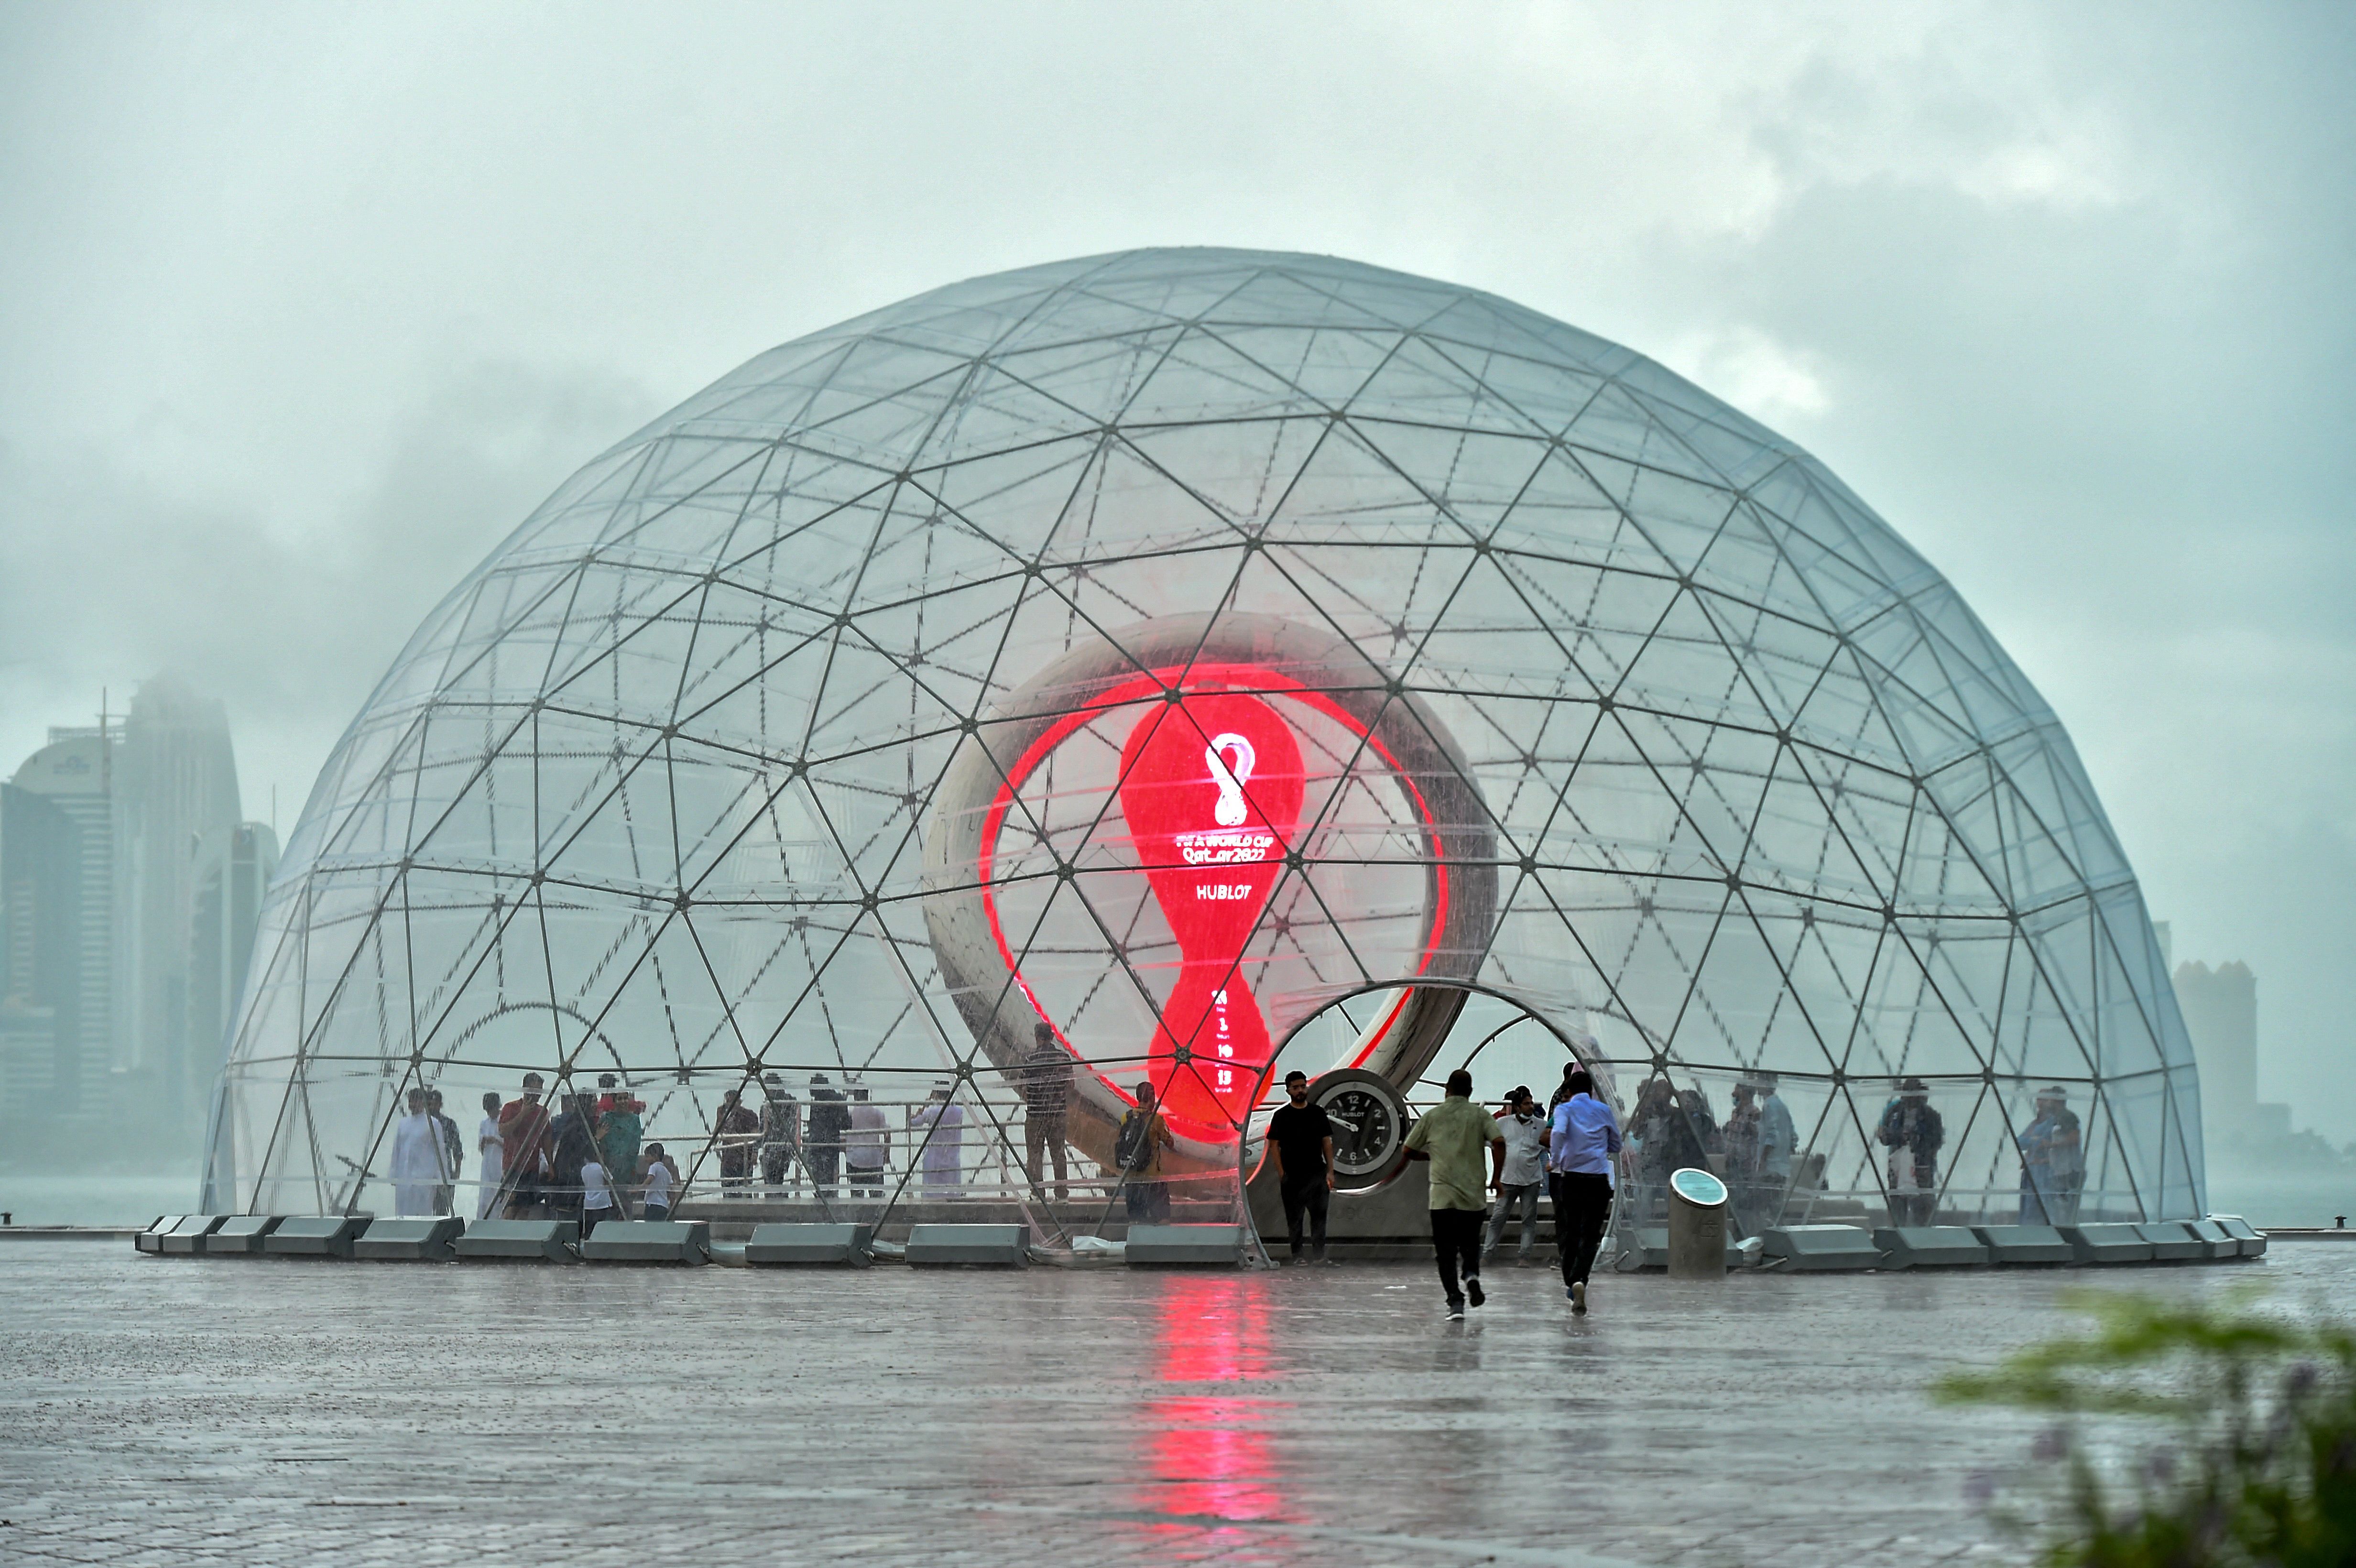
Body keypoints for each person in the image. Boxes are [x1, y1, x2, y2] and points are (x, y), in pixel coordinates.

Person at [1401, 1069, 1505, 1319]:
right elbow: (1499, 1142)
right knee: (1470, 1245)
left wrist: (1429, 1155)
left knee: (1445, 1252)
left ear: (1446, 1090)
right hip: (1473, 1196)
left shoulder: (1432, 1116)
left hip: (1442, 1198)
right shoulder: (1480, 1116)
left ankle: (1455, 1302)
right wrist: (1497, 1178)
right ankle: (1471, 1276)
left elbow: (1407, 1150)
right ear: (1470, 1092)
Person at [1545, 1067, 1621, 1314]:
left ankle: (1572, 1281)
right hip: (1598, 1179)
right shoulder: (1603, 1110)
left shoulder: (1565, 1109)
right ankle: (1581, 1279)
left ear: (1568, 1091)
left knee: (1571, 1231)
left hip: (1573, 1179)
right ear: (1591, 1090)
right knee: (1591, 1234)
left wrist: (1555, 1160)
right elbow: (1616, 1142)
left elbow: (1557, 1132)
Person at [1268, 1069, 1334, 1263]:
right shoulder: (1282, 1116)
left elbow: (1326, 1142)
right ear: (1288, 1090)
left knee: (1319, 1217)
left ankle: (1319, 1256)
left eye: (1303, 1086)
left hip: (1317, 1173)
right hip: (1293, 1175)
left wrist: (1330, 1171)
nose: (1300, 1091)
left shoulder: (1317, 1113)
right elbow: (1274, 1145)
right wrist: (1282, 1173)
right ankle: (1298, 1256)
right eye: (1296, 1088)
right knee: (1295, 1218)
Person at [1484, 1086, 1548, 1264]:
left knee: (1528, 1219)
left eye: (1531, 1103)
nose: (1530, 1107)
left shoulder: (1541, 1125)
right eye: (1526, 1104)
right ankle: (1488, 1253)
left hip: (1531, 1179)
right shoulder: (1503, 1123)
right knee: (1498, 1217)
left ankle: (1524, 1256)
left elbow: (1551, 1145)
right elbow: (1491, 1143)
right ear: (1517, 1107)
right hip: (1508, 1179)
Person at [1876, 1077, 1944, 1226]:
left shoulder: (1931, 1116)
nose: (1909, 1098)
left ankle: (1923, 1236)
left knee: (1922, 1207)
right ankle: (1898, 1234)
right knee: (1897, 1205)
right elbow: (1884, 1135)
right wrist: (1899, 1136)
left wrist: (1918, 1142)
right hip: (1898, 1166)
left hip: (1921, 1167)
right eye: (1907, 1093)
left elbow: (1936, 1141)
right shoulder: (1894, 1111)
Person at [1018, 1023, 1072, 1201]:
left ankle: (1037, 1192)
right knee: (1058, 1153)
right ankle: (1062, 1194)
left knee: (1035, 1154)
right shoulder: (1063, 1058)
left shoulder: (1031, 1059)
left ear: (1037, 1037)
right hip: (1057, 1114)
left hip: (1035, 1115)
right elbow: (1071, 1085)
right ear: (1052, 1036)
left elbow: (1022, 1086)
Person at [2017, 1085, 2083, 1225]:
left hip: (2050, 1172)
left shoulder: (2059, 1120)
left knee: (2049, 1210)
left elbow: (2069, 1141)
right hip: (2037, 1172)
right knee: (2031, 1211)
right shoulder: (2037, 1124)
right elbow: (2022, 1142)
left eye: (2044, 1099)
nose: (2040, 1103)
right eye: (2039, 1099)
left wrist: (2043, 1151)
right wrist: (2034, 1144)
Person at [1115, 1081, 1175, 1224]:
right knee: (1162, 1219)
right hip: (1152, 1179)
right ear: (1152, 1097)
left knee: (1136, 1221)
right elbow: (1171, 1143)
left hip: (1133, 1179)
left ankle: (1137, 1244)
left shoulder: (1126, 1117)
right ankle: (1160, 1244)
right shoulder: (1156, 1120)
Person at [497, 1072, 554, 1218]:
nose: (536, 1096)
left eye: (539, 1092)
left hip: (532, 1167)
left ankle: (518, 1237)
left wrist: (551, 1165)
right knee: (512, 1205)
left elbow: (546, 1138)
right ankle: (502, 1237)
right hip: (513, 1166)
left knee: (525, 1207)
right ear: (525, 1089)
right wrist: (522, 1114)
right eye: (533, 1091)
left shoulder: (542, 1111)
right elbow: (503, 1131)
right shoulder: (511, 1108)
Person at [390, 1087, 447, 1217]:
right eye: (410, 1101)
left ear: (423, 1102)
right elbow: (397, 1149)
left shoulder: (433, 1124)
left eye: (415, 1101)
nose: (412, 1105)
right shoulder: (403, 1124)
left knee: (422, 1214)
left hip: (424, 1179)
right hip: (404, 1177)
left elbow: (440, 1151)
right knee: (402, 1213)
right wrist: (394, 1173)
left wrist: (441, 1177)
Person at [550, 1092, 598, 1226]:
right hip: (570, 1174)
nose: (595, 1105)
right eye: (592, 1101)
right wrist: (597, 1139)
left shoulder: (575, 1120)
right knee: (571, 1212)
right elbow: (583, 1150)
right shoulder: (582, 1122)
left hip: (569, 1172)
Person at [1756, 1069, 1797, 1224]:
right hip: (1782, 1167)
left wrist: (1763, 1160)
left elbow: (1772, 1136)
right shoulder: (1782, 1106)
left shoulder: (1769, 1105)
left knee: (1768, 1208)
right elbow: (1793, 1136)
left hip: (1771, 1168)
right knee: (1777, 1207)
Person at [908, 1083, 965, 1192]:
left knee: (932, 1194)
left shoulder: (932, 1111)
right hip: (952, 1159)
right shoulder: (959, 1112)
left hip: (934, 1159)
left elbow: (914, 1123)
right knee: (952, 1193)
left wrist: (925, 1106)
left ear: (936, 1095)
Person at [597, 1086, 643, 1217]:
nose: (623, 1102)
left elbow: (636, 1144)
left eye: (625, 1098)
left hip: (627, 1169)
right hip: (610, 1168)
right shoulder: (607, 1118)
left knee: (626, 1204)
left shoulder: (634, 1120)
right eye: (620, 1099)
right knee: (610, 1205)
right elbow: (602, 1143)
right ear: (614, 1101)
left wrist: (631, 1166)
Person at [805, 1074, 849, 1199]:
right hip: (831, 1142)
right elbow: (845, 1124)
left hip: (818, 1143)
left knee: (819, 1173)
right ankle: (828, 1195)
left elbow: (814, 1123)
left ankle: (822, 1195)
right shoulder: (837, 1099)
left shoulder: (817, 1101)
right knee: (830, 1173)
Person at [758, 1071, 799, 1196]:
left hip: (772, 1150)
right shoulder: (790, 1102)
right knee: (777, 1179)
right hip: (785, 1149)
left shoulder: (767, 1105)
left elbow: (763, 1132)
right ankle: (780, 1195)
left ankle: (775, 1197)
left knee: (771, 1181)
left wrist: (756, 1146)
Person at [714, 1087, 760, 1195]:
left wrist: (754, 1153)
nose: (731, 1105)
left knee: (745, 1193)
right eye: (728, 1102)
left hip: (744, 1161)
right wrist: (719, 1120)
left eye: (733, 1101)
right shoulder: (725, 1118)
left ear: (739, 1101)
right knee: (728, 1193)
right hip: (728, 1162)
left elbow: (756, 1138)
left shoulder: (749, 1115)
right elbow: (714, 1141)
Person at [846, 1085, 889, 1197]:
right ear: (867, 1095)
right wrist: (886, 1155)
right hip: (874, 1159)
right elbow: (888, 1134)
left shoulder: (851, 1113)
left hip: (856, 1160)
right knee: (876, 1197)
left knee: (857, 1197)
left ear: (856, 1096)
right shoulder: (878, 1113)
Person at [426, 1089, 463, 1217]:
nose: (432, 1106)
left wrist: (457, 1172)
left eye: (435, 1103)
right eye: (430, 1103)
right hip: (424, 1172)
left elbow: (458, 1150)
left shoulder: (449, 1124)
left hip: (444, 1172)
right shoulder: (422, 1124)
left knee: (442, 1211)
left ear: (440, 1105)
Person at [475, 1090, 505, 1220]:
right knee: (484, 1201)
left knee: (499, 1201)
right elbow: (481, 1149)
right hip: (487, 1166)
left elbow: (508, 1146)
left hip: (500, 1166)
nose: (490, 1113)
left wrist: (495, 1141)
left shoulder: (503, 1122)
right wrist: (484, 1141)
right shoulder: (484, 1124)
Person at [578, 1154, 618, 1237]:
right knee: (602, 1229)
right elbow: (611, 1182)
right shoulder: (601, 1168)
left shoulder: (584, 1169)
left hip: (588, 1204)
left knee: (590, 1229)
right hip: (602, 1203)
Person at [639, 1143, 680, 1223]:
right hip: (663, 1206)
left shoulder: (653, 1167)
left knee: (650, 1227)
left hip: (653, 1204)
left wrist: (639, 1188)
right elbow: (671, 1190)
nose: (645, 1159)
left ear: (655, 1156)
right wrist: (672, 1205)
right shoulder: (666, 1171)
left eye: (647, 1156)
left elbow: (650, 1179)